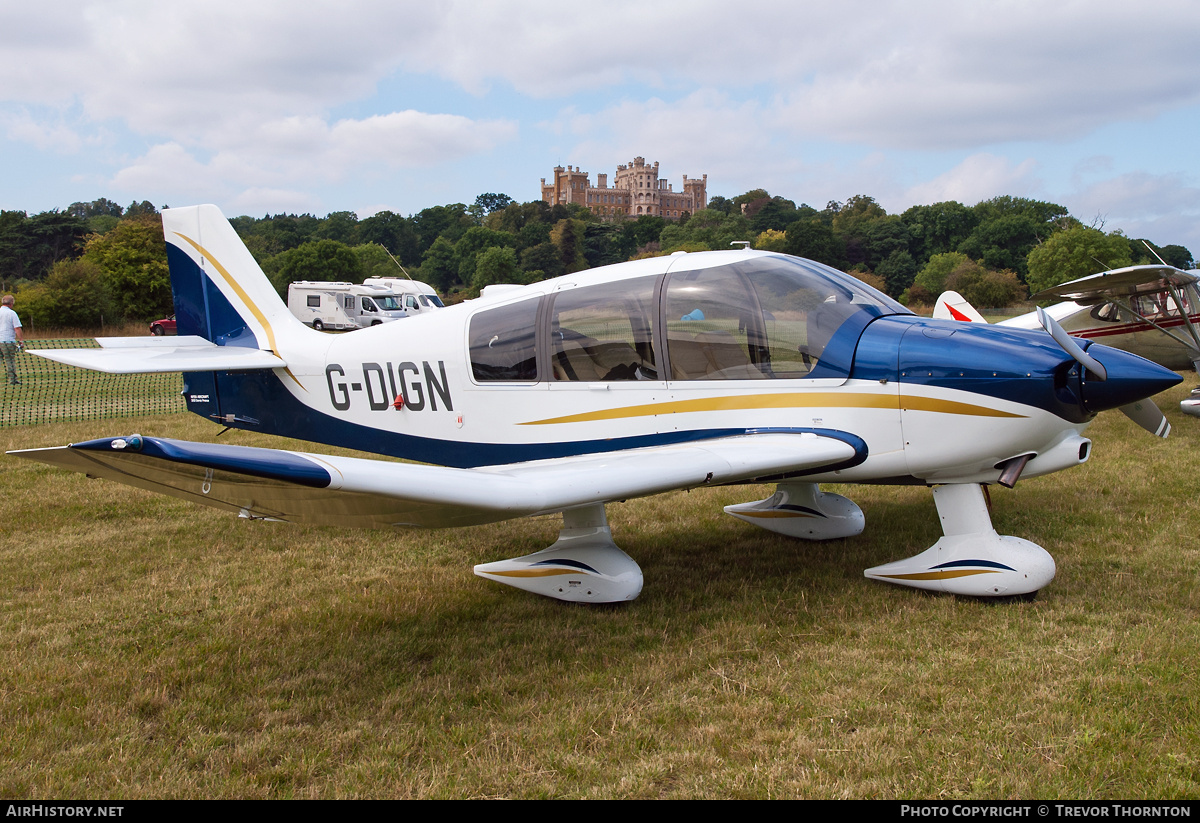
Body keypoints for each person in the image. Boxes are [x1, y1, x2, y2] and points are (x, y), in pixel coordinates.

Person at [1, 294, 24, 386]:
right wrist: (21, 340)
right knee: (10, 360)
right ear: (11, 303)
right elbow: (17, 328)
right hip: (8, 341)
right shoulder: (12, 313)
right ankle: (13, 380)